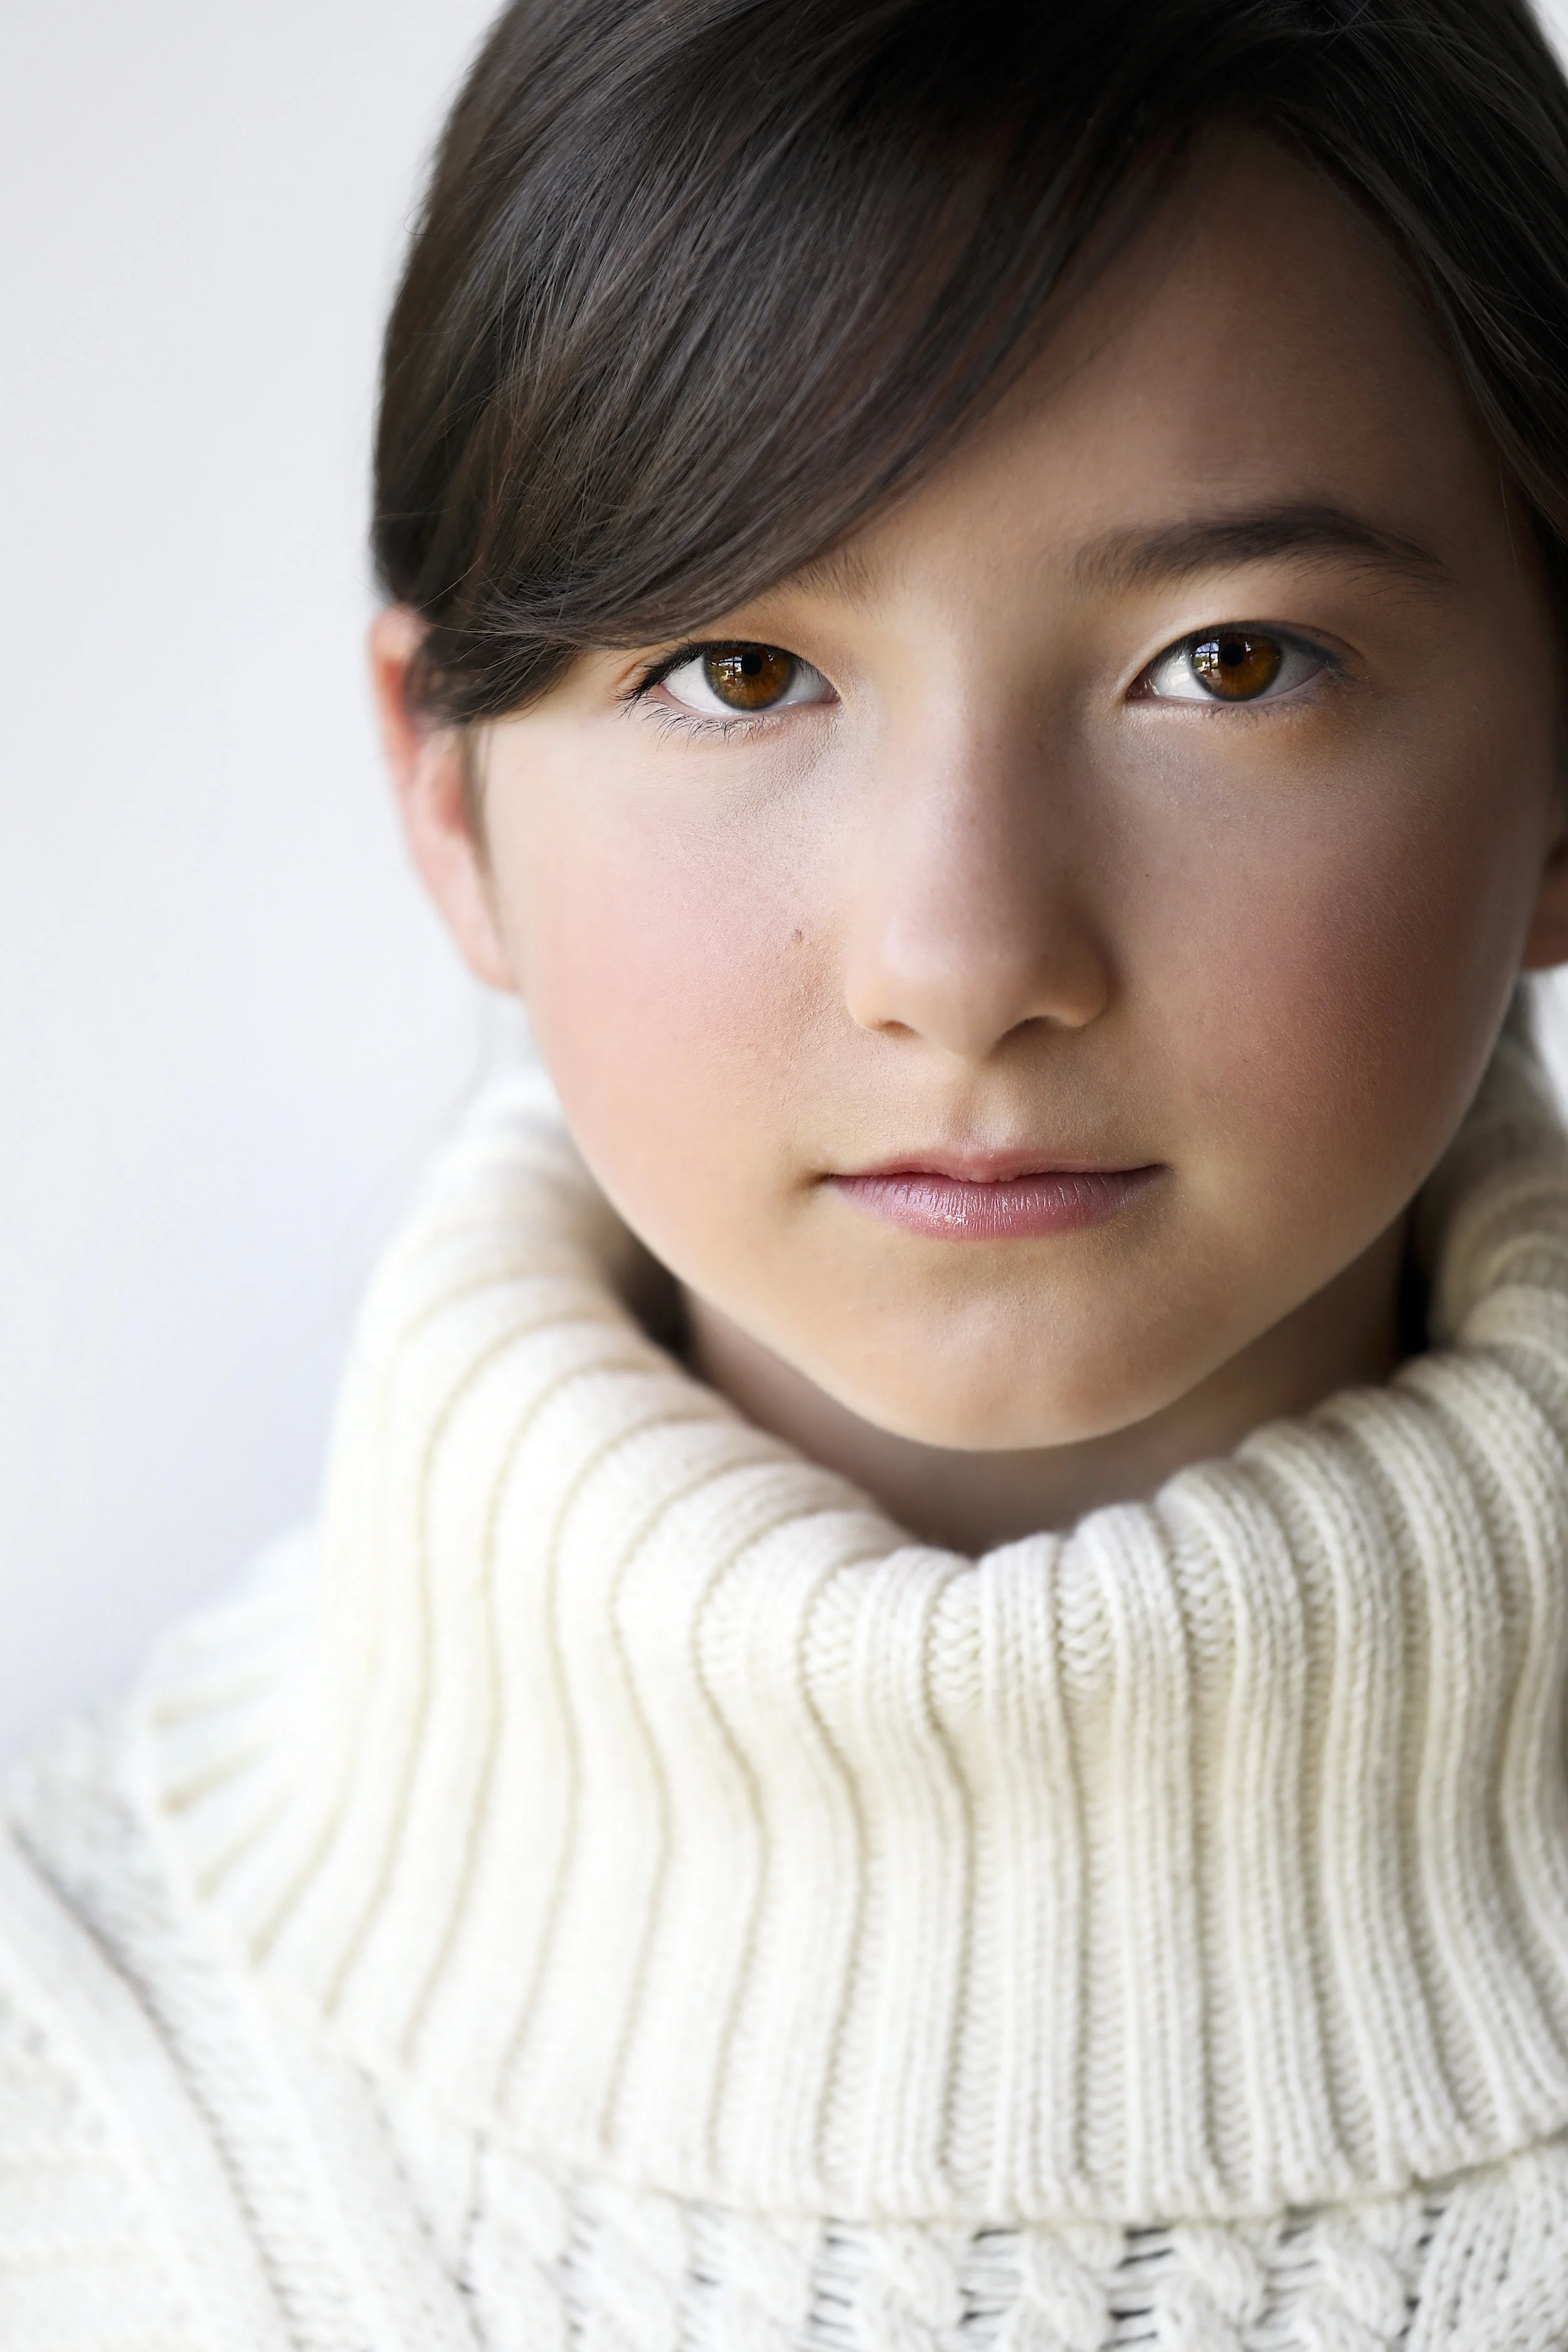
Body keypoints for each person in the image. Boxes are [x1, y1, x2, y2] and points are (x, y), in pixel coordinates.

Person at [8, 0, 1568, 2341]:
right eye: (741, 671)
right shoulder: (60, 2123)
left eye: (1230, 663)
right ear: (448, 801)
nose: (966, 961)